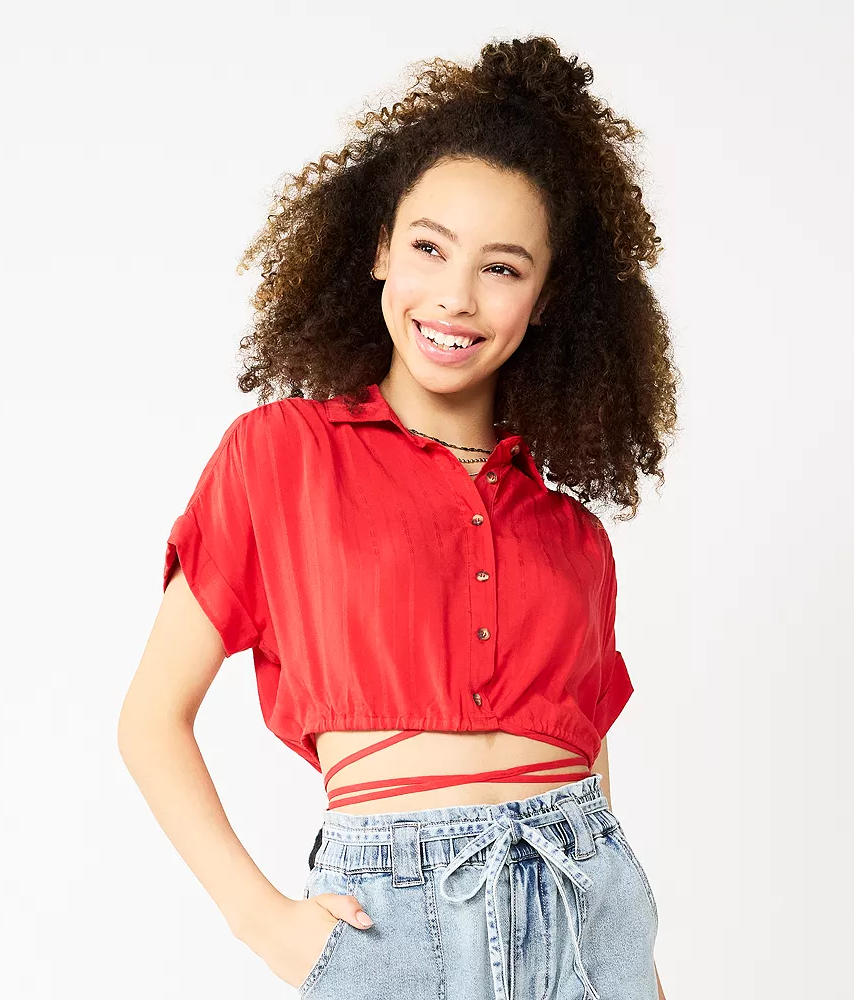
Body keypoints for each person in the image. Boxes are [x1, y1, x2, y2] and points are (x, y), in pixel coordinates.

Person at [118, 34, 678, 1000]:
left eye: (503, 268)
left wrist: (644, 977)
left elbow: (588, 764)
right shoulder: (281, 455)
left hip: (591, 916)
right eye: (429, 248)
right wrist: (263, 923)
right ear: (380, 249)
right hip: (393, 919)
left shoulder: (573, 535)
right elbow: (150, 719)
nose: (455, 297)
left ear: (546, 298)